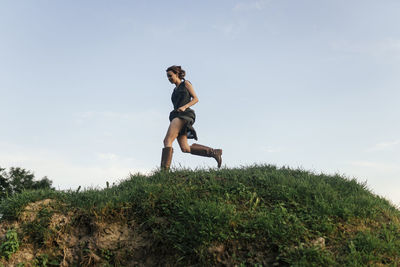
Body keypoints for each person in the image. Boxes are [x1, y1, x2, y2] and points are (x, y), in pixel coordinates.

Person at [161, 65, 222, 170]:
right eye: (167, 77)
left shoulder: (186, 84)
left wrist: (184, 107)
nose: (169, 78)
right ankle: (214, 152)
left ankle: (163, 172)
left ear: (177, 74)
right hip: (176, 115)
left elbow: (195, 99)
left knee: (167, 141)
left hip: (184, 115)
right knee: (185, 148)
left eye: (170, 76)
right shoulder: (174, 91)